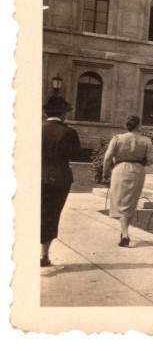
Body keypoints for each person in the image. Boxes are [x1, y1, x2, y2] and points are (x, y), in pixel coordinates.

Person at [102, 114, 153, 247]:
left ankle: (125, 234)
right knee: (131, 202)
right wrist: (141, 163)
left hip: (120, 169)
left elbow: (107, 158)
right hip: (138, 170)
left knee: (120, 202)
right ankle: (124, 232)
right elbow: (151, 160)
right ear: (138, 125)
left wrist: (104, 173)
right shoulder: (146, 140)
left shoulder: (118, 138)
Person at [41, 96, 81, 267]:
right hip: (59, 178)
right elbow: (76, 155)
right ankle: (44, 254)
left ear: (46, 112)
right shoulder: (69, 132)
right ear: (63, 113)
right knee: (52, 214)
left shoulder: (35, 128)